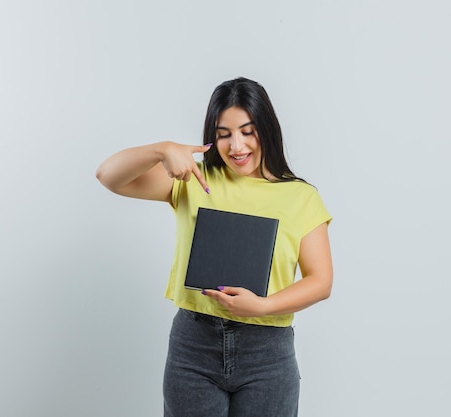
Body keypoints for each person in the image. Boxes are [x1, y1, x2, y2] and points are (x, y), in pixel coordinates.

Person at [95, 77, 333, 417]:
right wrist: (161, 149)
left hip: (266, 352)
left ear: (267, 128)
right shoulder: (194, 177)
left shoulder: (301, 196)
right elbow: (108, 175)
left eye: (247, 131)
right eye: (224, 134)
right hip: (194, 344)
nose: (236, 146)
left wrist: (261, 307)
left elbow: (320, 280)